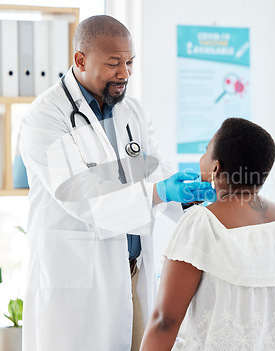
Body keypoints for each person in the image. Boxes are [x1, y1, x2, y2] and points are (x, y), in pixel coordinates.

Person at [19, 15, 214, 351]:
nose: (124, 73)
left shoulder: (133, 113)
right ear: (80, 59)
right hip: (80, 278)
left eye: (129, 62)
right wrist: (158, 191)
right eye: (113, 63)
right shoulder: (46, 117)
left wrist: (188, 199)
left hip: (133, 272)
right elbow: (79, 195)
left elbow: (154, 172)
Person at [141, 118, 275, 350]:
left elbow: (165, 320)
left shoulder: (203, 224)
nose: (201, 159)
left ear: (216, 168)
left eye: (206, 152)